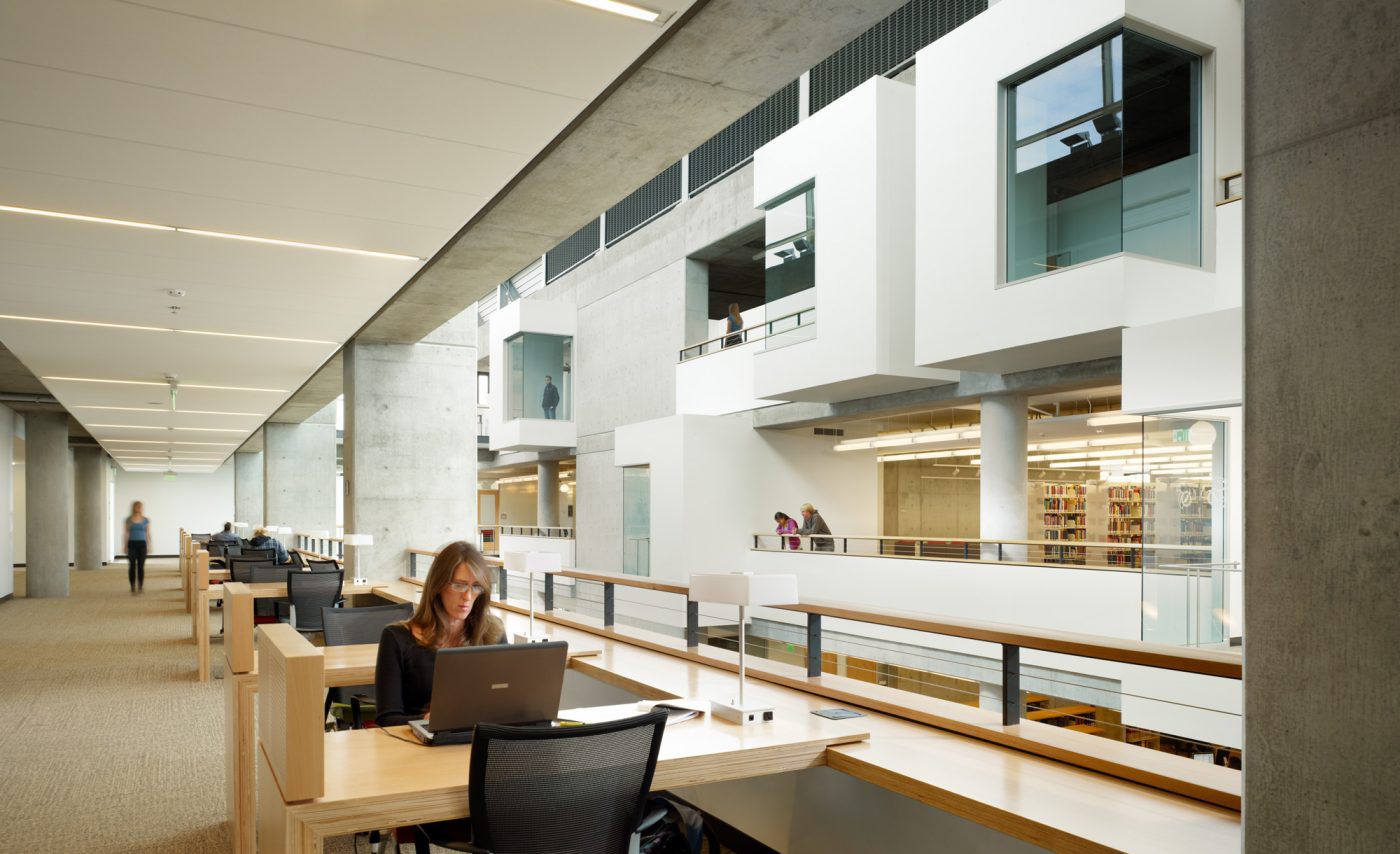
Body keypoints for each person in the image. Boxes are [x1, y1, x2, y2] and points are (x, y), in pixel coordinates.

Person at [374, 540, 505, 728]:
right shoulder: (397, 638)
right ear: (438, 585)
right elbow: (387, 719)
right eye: (459, 585)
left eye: (476, 587)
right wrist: (428, 719)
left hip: (478, 741)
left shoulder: (494, 632)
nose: (468, 596)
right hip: (419, 748)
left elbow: (506, 703)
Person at [123, 501, 151, 593]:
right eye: (137, 507)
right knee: (132, 566)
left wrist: (149, 545)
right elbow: (126, 533)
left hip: (142, 544)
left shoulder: (146, 520)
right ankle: (132, 586)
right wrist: (125, 545)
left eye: (140, 507)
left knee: (140, 566)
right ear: (133, 508)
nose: (138, 508)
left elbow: (148, 533)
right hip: (132, 544)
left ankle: (140, 586)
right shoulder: (128, 520)